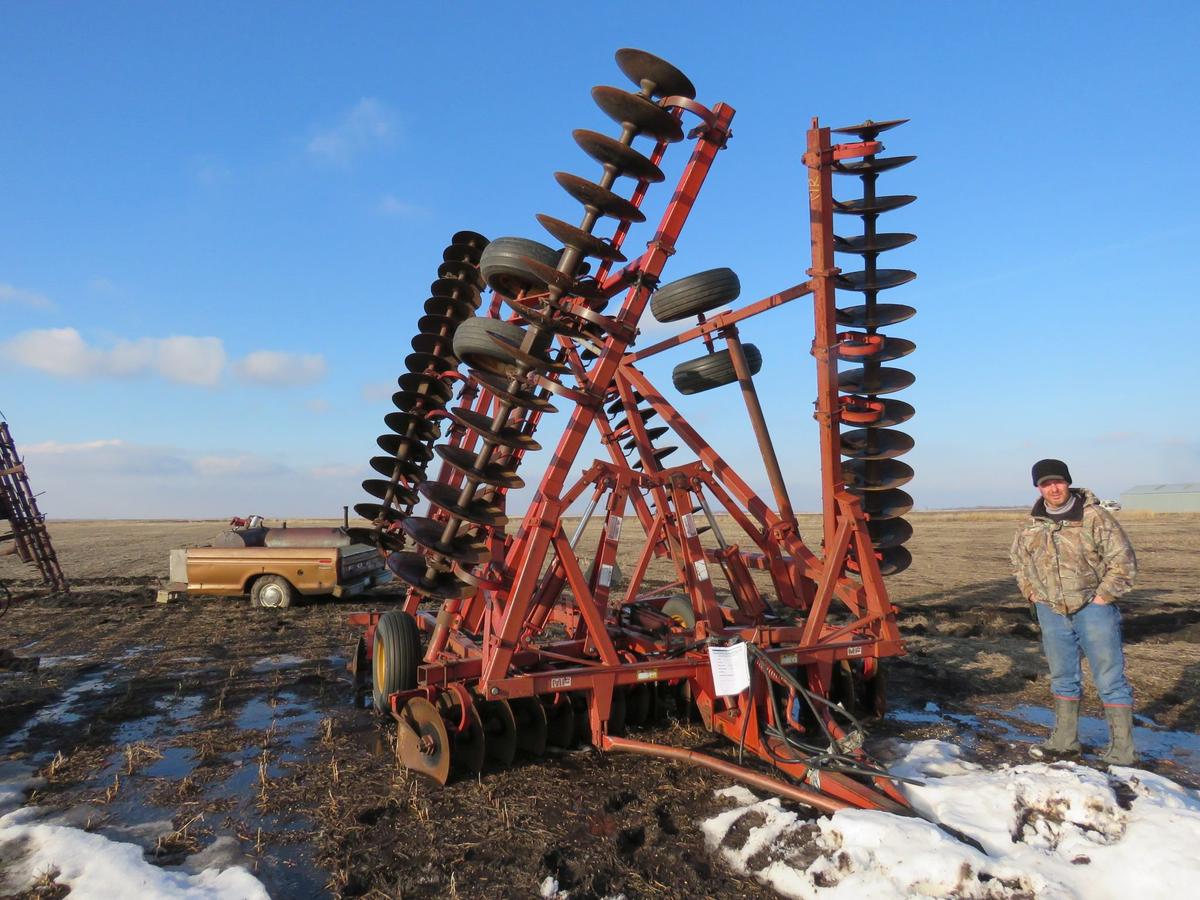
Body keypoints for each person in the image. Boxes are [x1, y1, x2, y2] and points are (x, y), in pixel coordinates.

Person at [1009, 458, 1138, 766]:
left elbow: (1123, 562)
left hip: (1093, 609)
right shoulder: (1030, 524)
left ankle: (1122, 751)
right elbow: (1018, 562)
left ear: (1067, 482)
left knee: (1110, 678)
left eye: (1058, 481)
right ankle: (1065, 742)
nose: (1053, 488)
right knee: (1063, 677)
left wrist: (1103, 598)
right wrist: (1032, 593)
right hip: (1050, 610)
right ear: (1038, 488)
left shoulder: (1095, 517)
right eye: (1045, 484)